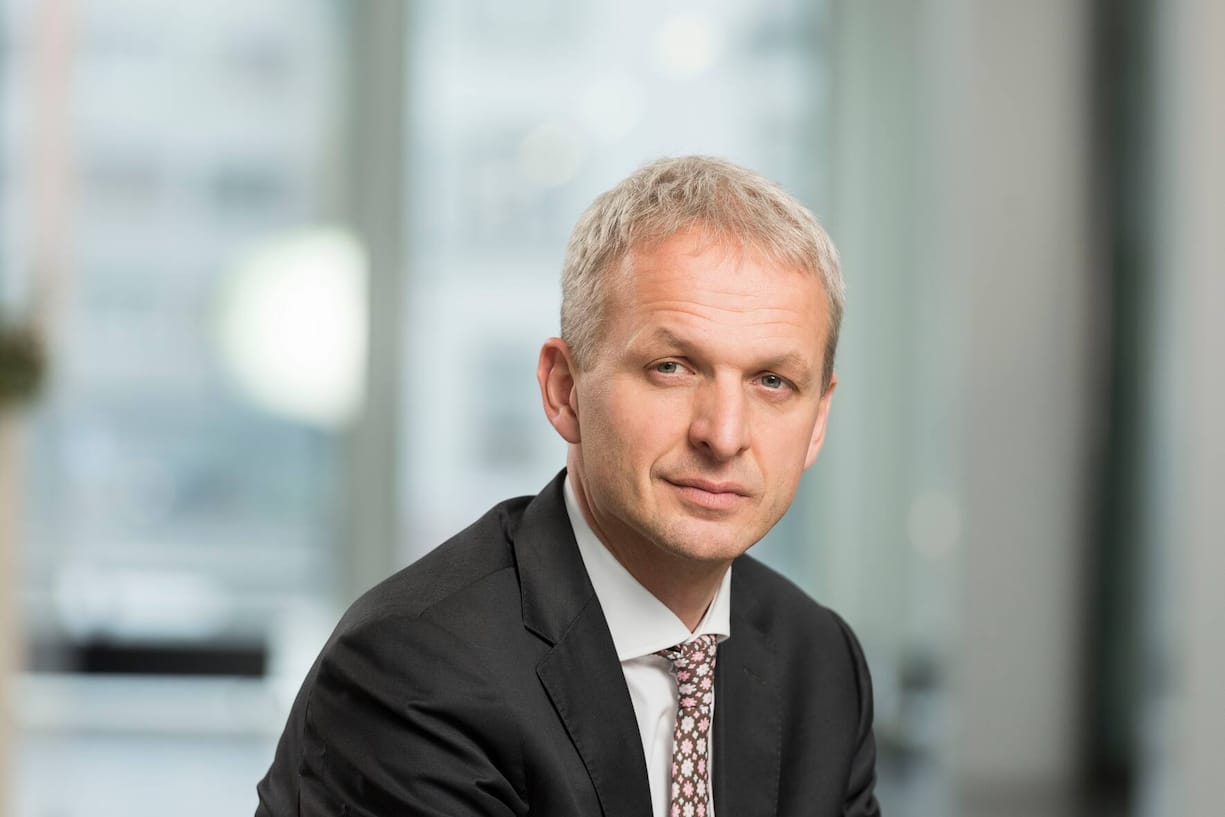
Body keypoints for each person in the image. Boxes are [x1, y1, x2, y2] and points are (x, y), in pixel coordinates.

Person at [256, 156, 880, 817]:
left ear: (816, 422)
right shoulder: (413, 669)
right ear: (563, 389)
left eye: (772, 382)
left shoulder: (820, 661)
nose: (723, 435)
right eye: (671, 367)